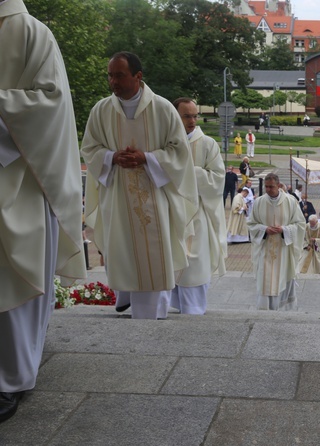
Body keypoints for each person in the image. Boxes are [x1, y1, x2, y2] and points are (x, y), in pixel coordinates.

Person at [0, 0, 87, 423]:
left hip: (22, 180)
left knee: (14, 276)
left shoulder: (30, 32)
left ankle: (11, 380)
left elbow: (51, 104)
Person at [81, 52, 198, 320]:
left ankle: (154, 317)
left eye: (119, 75)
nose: (113, 81)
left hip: (155, 198)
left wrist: (146, 158)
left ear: (138, 76)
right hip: (119, 198)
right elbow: (89, 148)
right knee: (125, 255)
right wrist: (111, 157)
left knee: (155, 260)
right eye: (110, 75)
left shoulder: (163, 108)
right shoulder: (101, 110)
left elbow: (179, 152)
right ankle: (129, 305)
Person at [170, 98, 227, 315]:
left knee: (193, 266)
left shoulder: (207, 144)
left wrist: (188, 172)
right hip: (170, 214)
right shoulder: (167, 142)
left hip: (197, 215)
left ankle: (194, 311)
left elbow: (218, 179)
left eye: (195, 116)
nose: (192, 121)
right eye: (187, 116)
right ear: (176, 116)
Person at [247, 173, 306, 310]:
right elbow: (251, 224)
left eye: (271, 187)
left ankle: (281, 309)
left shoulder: (290, 201)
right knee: (264, 279)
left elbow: (300, 224)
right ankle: (264, 309)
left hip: (283, 251)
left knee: (282, 279)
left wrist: (284, 230)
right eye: (266, 187)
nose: (268, 190)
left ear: (279, 186)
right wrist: (264, 229)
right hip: (265, 250)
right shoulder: (259, 202)